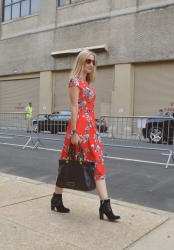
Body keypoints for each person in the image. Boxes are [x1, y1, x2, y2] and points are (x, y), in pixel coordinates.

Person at [51, 50, 120, 222]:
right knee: (67, 161)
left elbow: (89, 108)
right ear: (81, 61)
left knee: (98, 162)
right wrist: (74, 132)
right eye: (88, 61)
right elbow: (74, 107)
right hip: (78, 127)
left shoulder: (86, 83)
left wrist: (95, 127)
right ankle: (57, 198)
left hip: (90, 128)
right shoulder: (74, 82)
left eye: (94, 62)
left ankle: (105, 204)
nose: (91, 64)